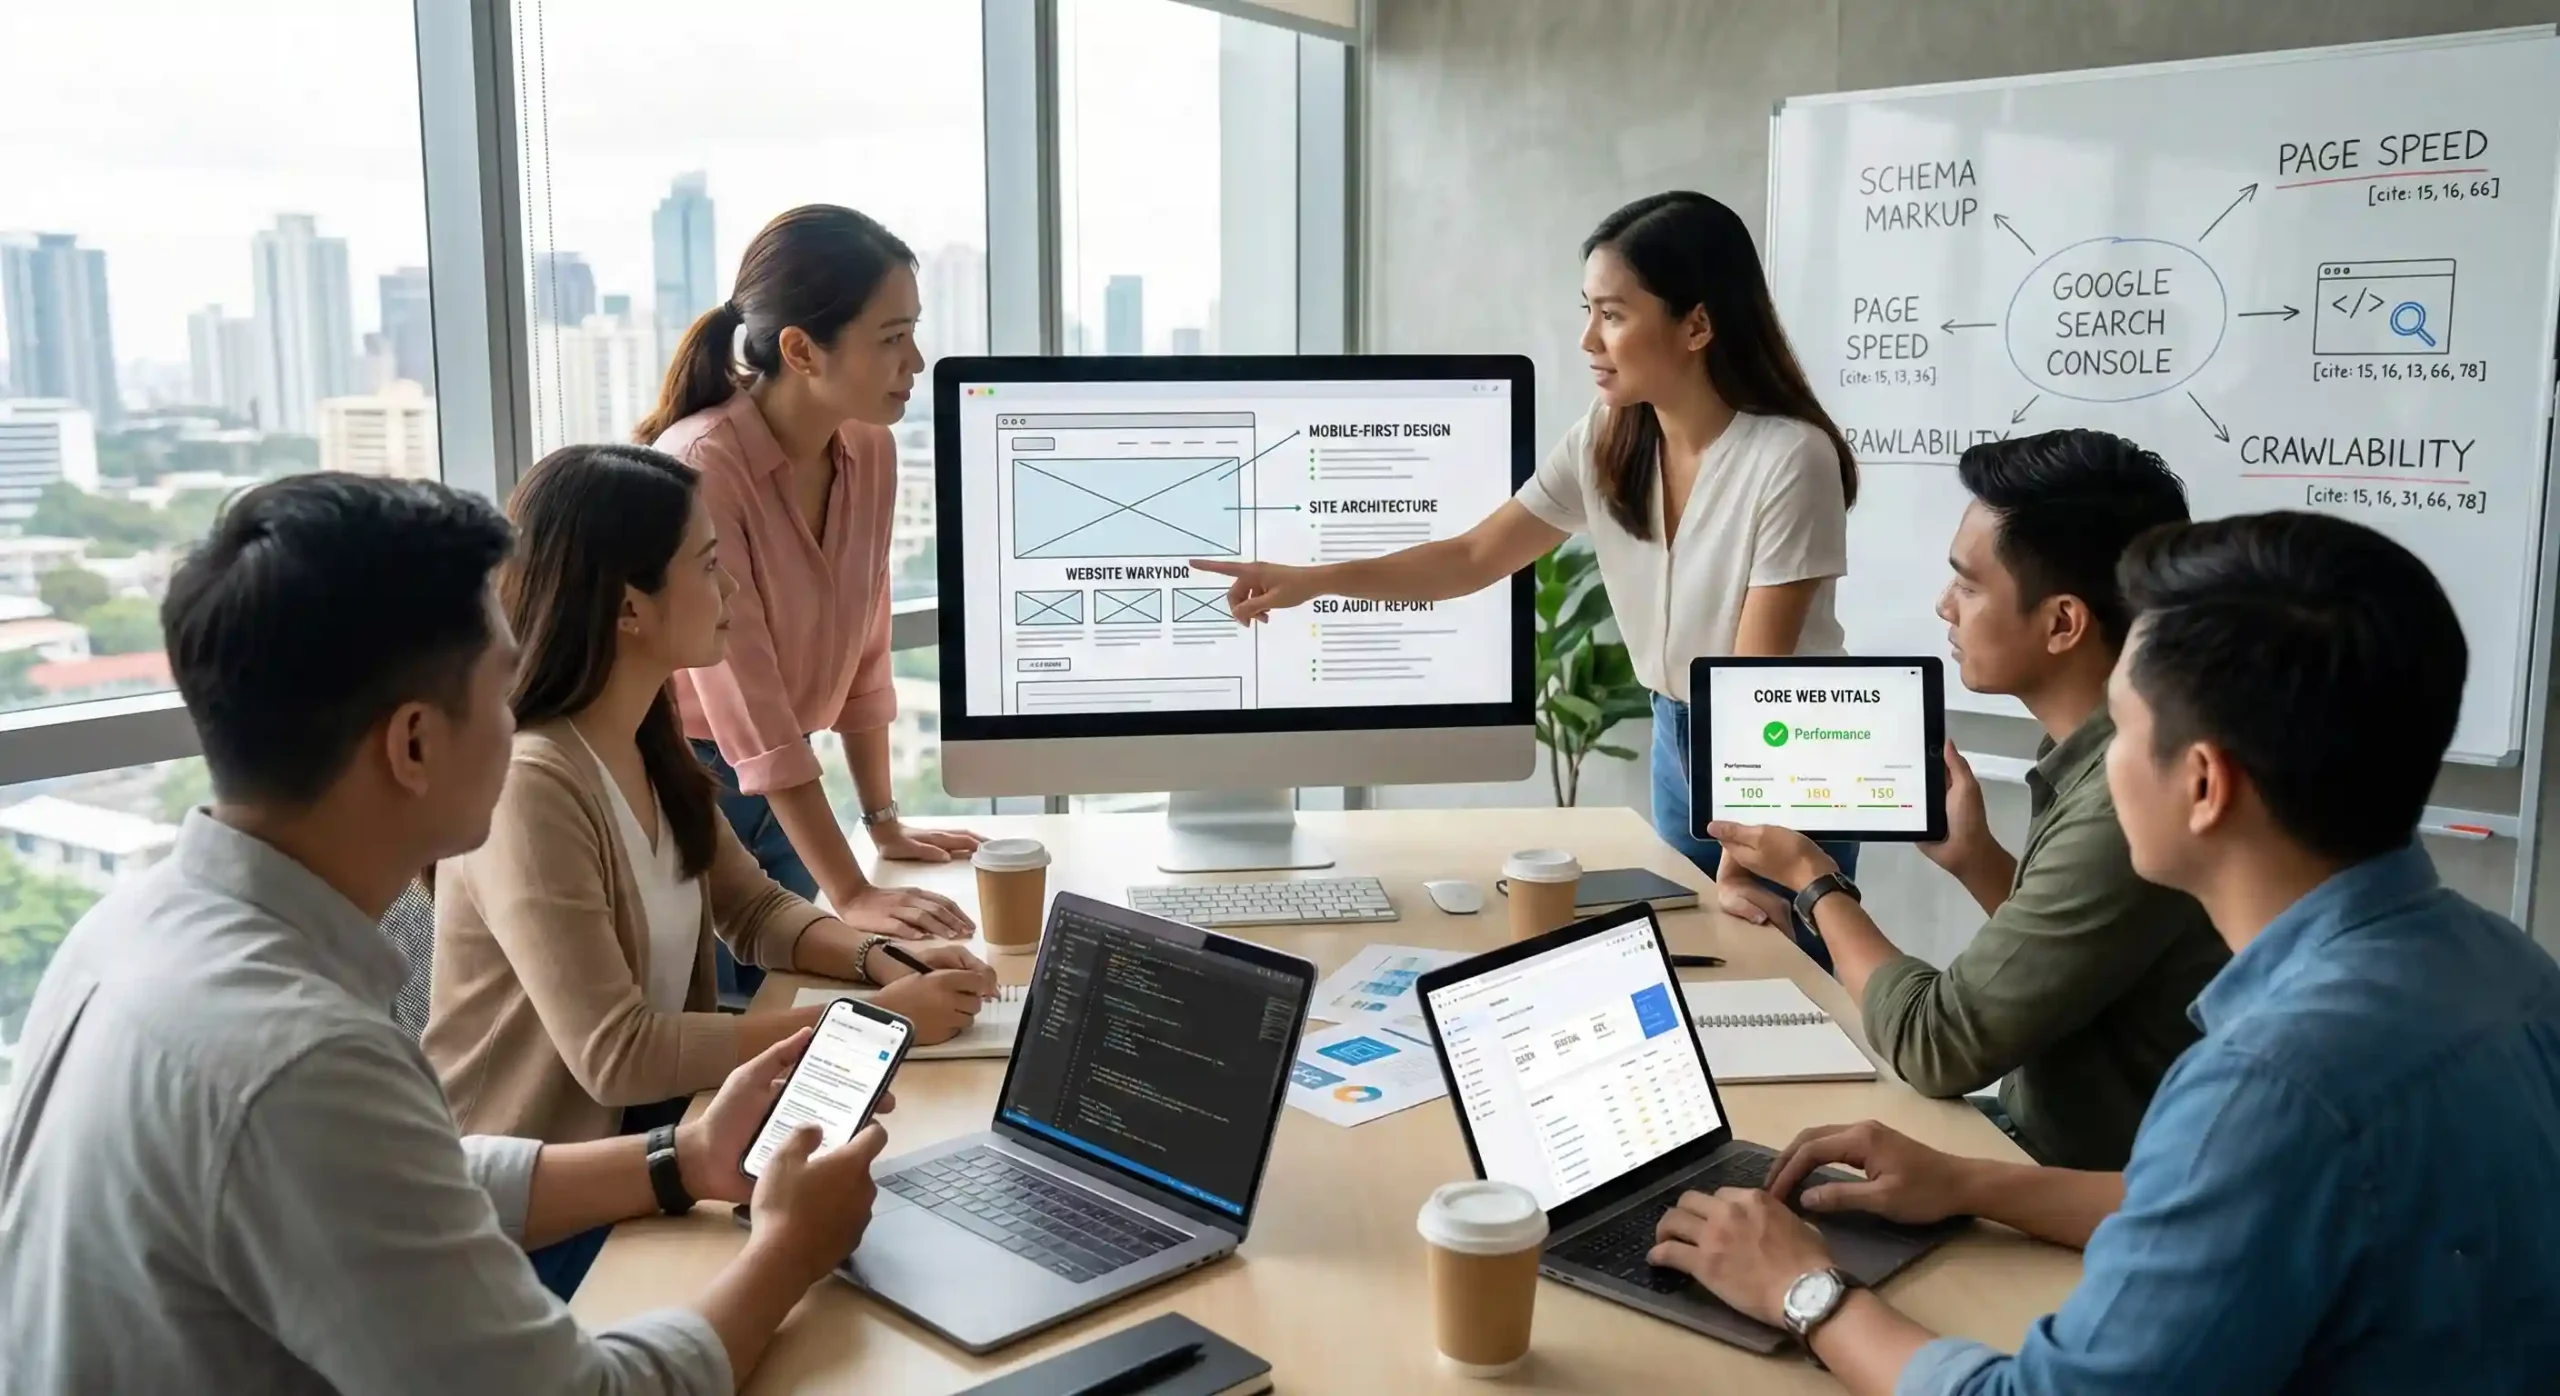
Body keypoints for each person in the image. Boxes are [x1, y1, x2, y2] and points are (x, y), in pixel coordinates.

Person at [0, 474, 901, 1393]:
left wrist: (680, 1162)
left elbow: (405, 1179)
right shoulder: (301, 1059)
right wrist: (790, 1252)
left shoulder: (127, 932)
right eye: (504, 685)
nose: (524, 721)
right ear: (416, 744)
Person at [1644, 511, 2560, 1394]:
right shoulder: (2512, 973)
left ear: (2203, 785)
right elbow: (2201, 1199)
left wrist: (1804, 1290)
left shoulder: (2269, 1084)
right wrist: (1967, 1181)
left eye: (2120, 729)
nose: (2098, 764)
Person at [1191, 190, 1859, 968]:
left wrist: (1748, 858)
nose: (1587, 339)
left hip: (1786, 748)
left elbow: (1759, 680)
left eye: (1611, 314)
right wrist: (1313, 578)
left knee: (1786, 990)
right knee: (1702, 976)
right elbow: (1475, 556)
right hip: (1685, 734)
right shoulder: (1607, 439)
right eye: (1587, 310)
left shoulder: (1790, 458)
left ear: (1697, 326)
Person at [424, 445, 994, 1290]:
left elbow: (754, 910)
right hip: (543, 1215)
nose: (733, 592)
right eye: (710, 565)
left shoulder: (642, 729)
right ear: (628, 609)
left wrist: (885, 963)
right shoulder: (532, 783)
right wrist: (873, 1023)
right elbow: (618, 1054)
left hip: (671, 1147)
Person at [1705, 430, 2228, 1169]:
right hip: (2033, 1137)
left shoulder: (2128, 792)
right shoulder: (2104, 749)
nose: (1945, 606)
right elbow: (2088, 960)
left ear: (2063, 622)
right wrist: (1977, 860)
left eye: (1970, 584)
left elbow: (1936, 1043)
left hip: (2079, 1182)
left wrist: (1813, 881)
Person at [634, 204, 980, 998]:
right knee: (742, 1022)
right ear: (800, 349)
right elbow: (749, 712)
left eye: (914, 331)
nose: (917, 360)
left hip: (789, 787)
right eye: (891, 338)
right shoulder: (701, 467)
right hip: (696, 787)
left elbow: (866, 646)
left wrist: (883, 821)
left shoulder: (870, 447)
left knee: (835, 995)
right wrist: (852, 890)